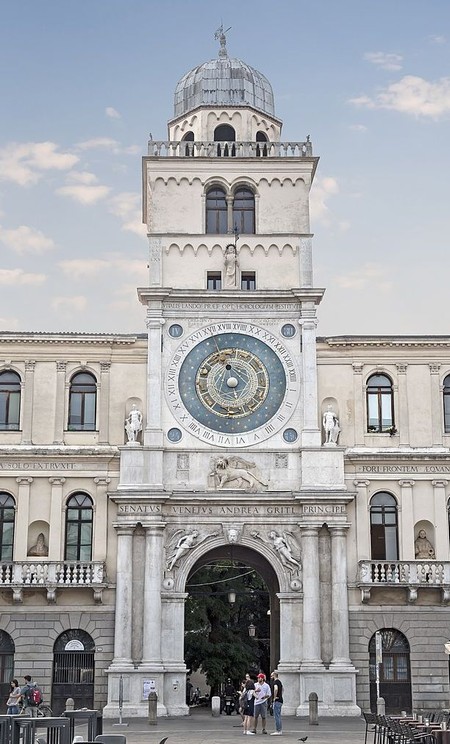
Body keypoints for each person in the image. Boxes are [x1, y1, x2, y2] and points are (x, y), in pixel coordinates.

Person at [270, 671, 283, 735]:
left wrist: (274, 697)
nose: (271, 677)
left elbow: (276, 689)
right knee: (278, 715)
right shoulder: (279, 682)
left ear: (275, 675)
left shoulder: (275, 682)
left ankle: (278, 730)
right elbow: (283, 689)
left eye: (272, 676)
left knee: (276, 716)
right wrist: (280, 695)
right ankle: (279, 730)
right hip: (280, 700)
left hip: (277, 700)